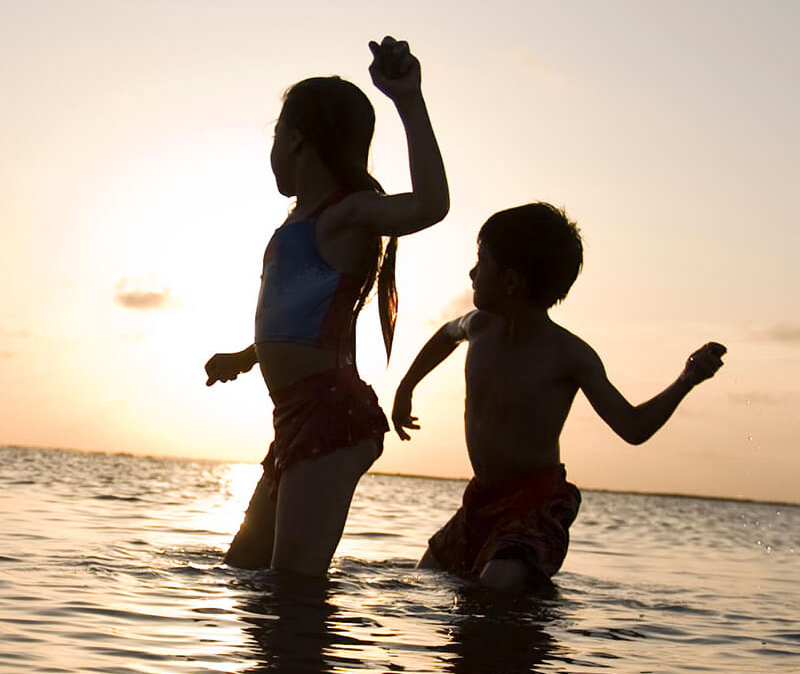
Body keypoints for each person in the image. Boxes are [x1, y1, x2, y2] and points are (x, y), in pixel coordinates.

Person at [205, 36, 449, 576]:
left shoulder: (348, 214)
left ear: (293, 140)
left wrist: (408, 100)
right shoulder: (297, 223)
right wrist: (247, 357)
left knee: (292, 584)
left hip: (330, 415)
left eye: (274, 135)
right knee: (245, 569)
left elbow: (432, 204)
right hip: (295, 419)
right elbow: (300, 316)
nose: (271, 147)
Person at [392, 202, 726, 591]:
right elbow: (445, 336)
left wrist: (687, 378)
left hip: (534, 503)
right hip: (481, 498)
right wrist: (406, 388)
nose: (471, 272)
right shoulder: (478, 327)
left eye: (481, 261)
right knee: (422, 581)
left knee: (494, 588)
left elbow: (633, 427)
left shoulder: (569, 355)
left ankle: (526, 589)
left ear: (512, 281)